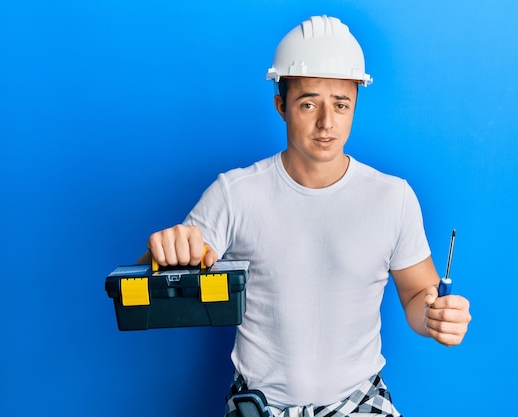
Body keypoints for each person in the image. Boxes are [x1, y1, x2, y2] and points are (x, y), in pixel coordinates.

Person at [138, 15, 471, 417]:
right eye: (308, 103)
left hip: (359, 402)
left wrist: (437, 318)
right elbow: (150, 284)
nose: (326, 123)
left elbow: (419, 294)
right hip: (261, 405)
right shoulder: (235, 193)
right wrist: (163, 253)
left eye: (341, 104)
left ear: (355, 106)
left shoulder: (393, 197)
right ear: (281, 106)